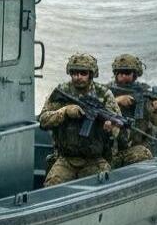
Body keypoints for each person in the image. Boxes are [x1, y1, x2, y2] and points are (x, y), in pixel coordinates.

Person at [38, 53, 120, 187]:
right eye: (74, 73)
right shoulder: (62, 92)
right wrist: (64, 112)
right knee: (51, 187)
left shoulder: (103, 94)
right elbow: (43, 120)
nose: (78, 77)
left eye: (83, 73)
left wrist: (110, 128)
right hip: (66, 159)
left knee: (105, 188)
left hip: (94, 160)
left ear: (91, 74)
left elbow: (118, 127)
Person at [106, 53, 157, 167]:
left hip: (136, 149)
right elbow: (94, 109)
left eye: (128, 73)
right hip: (110, 149)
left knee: (142, 155)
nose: (124, 76)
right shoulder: (106, 92)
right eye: (121, 73)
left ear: (135, 74)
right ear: (116, 73)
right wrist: (116, 101)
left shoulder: (145, 92)